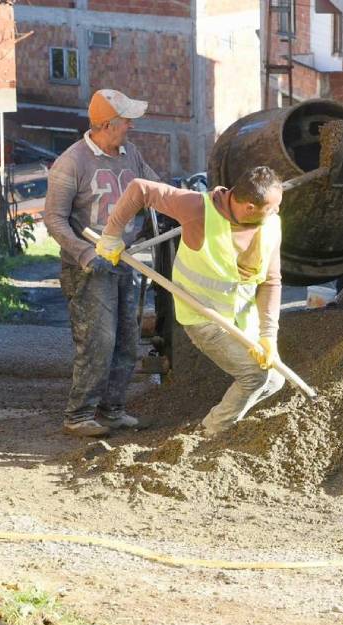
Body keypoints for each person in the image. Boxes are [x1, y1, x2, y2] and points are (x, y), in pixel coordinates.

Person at [96, 166, 285, 436]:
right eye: (272, 207)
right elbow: (140, 188)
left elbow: (271, 281)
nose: (277, 210)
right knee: (254, 376)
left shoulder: (271, 225)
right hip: (203, 315)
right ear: (249, 207)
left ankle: (228, 426)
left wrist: (269, 336)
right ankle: (211, 433)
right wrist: (111, 234)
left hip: (244, 319)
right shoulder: (198, 208)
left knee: (275, 380)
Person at [43, 89, 160, 437]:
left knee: (127, 340)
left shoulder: (131, 155)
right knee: (99, 341)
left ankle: (112, 410)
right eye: (126, 121)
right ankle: (78, 415)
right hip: (88, 268)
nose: (131, 126)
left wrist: (190, 203)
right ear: (108, 125)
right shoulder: (72, 162)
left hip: (124, 261)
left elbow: (155, 189)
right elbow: (54, 219)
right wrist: (84, 253)